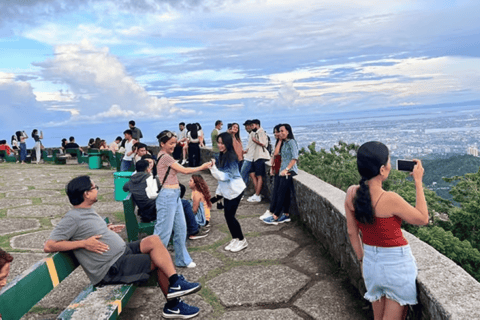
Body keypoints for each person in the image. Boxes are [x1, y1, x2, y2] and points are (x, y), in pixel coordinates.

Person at [43, 175, 202, 318]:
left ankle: (175, 282)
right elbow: (49, 245)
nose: (97, 190)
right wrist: (83, 244)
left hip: (121, 253)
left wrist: (106, 230)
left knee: (154, 240)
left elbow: (87, 229)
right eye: (94, 187)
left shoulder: (87, 210)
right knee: (159, 261)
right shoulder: (72, 218)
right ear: (86, 193)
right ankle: (173, 306)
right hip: (111, 267)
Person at [344, 141, 428, 320]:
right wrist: (418, 181)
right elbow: (422, 218)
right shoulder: (390, 199)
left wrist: (362, 261)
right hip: (396, 266)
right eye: (389, 161)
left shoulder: (351, 193)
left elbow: (352, 232)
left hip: (370, 264)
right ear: (382, 170)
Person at [155, 130, 212, 268]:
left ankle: (182, 260)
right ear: (162, 144)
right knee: (163, 231)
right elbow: (185, 171)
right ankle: (155, 263)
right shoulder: (165, 157)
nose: (173, 146)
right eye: (170, 144)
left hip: (174, 195)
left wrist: (179, 142)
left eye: (175, 143)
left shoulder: (165, 155)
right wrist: (203, 167)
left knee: (181, 228)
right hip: (167, 196)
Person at [210, 132, 248, 252]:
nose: (220, 145)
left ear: (227, 143)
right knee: (227, 216)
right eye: (218, 142)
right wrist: (218, 193)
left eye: (222, 143)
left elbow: (226, 176)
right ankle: (235, 238)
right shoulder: (222, 155)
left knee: (230, 216)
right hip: (228, 191)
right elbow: (222, 180)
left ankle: (242, 240)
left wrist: (212, 168)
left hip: (236, 190)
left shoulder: (231, 156)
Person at [263, 124, 297, 224]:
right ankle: (286, 214)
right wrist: (280, 140)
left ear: (288, 132)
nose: (281, 133)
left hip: (289, 171)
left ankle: (276, 216)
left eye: (283, 131)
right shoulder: (285, 143)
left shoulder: (292, 142)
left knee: (281, 192)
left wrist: (287, 169)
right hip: (283, 171)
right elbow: (276, 154)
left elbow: (294, 158)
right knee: (285, 193)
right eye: (280, 131)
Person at [259, 124, 283, 221]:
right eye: (275, 132)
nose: (275, 134)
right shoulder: (278, 142)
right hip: (277, 169)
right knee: (275, 192)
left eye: (277, 132)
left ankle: (274, 212)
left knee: (278, 193)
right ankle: (272, 210)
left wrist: (280, 140)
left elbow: (276, 154)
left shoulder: (284, 143)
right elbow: (274, 156)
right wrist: (272, 167)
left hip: (282, 170)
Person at [247, 119, 270, 203]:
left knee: (259, 176)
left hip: (261, 156)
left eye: (253, 125)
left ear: (257, 125)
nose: (251, 127)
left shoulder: (261, 132)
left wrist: (255, 141)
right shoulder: (257, 132)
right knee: (252, 174)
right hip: (256, 156)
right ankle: (258, 193)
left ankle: (257, 195)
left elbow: (264, 144)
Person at [240, 120, 255, 188]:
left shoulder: (253, 134)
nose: (246, 128)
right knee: (245, 175)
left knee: (242, 174)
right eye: (245, 126)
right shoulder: (250, 135)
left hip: (249, 158)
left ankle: (241, 191)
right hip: (248, 157)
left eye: (247, 126)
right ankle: (243, 190)